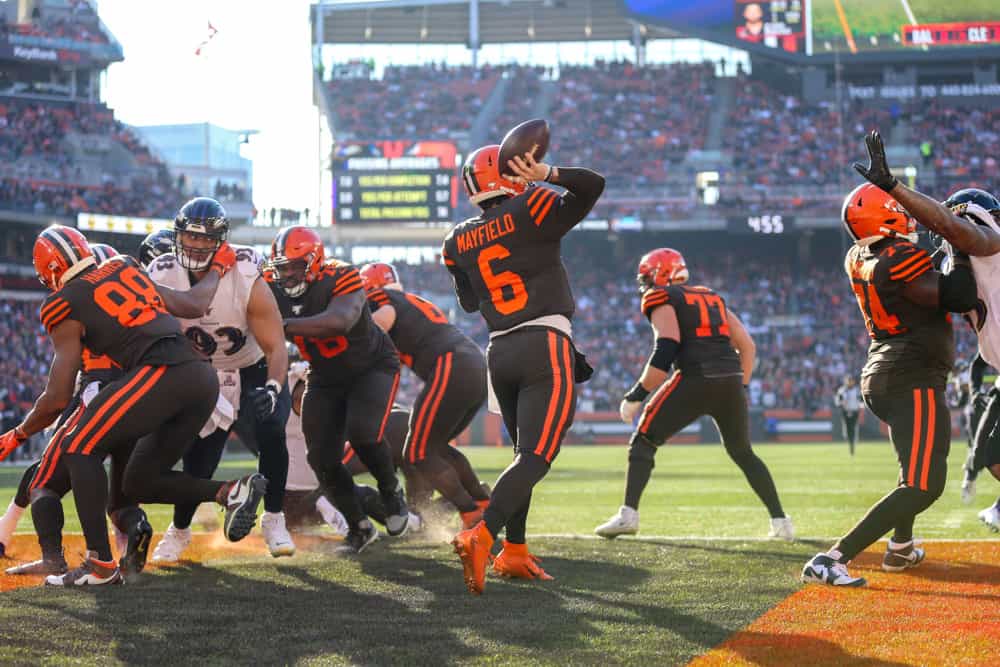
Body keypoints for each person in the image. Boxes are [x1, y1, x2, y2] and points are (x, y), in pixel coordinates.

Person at [0, 225, 265, 587]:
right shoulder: (125, 265)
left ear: (49, 271)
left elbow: (58, 396)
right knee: (138, 481)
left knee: (79, 446)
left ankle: (100, 565)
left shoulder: (62, 302)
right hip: (202, 380)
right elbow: (193, 304)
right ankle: (229, 492)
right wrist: (218, 268)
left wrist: (17, 434)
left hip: (161, 372)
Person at [801, 139, 979, 587]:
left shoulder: (860, 255)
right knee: (924, 484)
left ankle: (900, 549)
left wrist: (940, 250)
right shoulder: (898, 256)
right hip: (909, 374)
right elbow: (955, 296)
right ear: (886, 213)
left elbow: (918, 282)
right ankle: (833, 558)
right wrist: (956, 247)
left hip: (889, 370)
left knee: (913, 471)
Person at [443, 146, 603, 594]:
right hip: (543, 343)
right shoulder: (531, 206)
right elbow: (592, 185)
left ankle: (515, 550)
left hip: (500, 350)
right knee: (536, 457)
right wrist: (547, 172)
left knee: (522, 456)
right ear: (511, 173)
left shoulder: (456, 239)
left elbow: (471, 302)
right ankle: (483, 536)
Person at [594, 248, 792, 541]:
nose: (645, 284)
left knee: (643, 441)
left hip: (696, 378)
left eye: (648, 277)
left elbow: (667, 345)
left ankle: (628, 515)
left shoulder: (661, 297)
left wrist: (636, 394)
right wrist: (743, 386)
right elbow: (747, 346)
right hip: (730, 380)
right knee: (743, 453)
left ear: (661, 274)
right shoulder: (711, 297)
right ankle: (781, 522)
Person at [146, 197, 292, 561]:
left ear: (221, 240)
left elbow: (276, 345)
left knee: (273, 428)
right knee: (200, 456)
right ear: (177, 236)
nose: (196, 245)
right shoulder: (161, 271)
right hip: (202, 371)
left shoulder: (245, 272)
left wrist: (274, 386)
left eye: (205, 238)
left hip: (251, 364)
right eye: (190, 237)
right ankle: (180, 530)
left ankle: (274, 518)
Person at [0, 243, 150, 577]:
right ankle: (132, 535)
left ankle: (60, 559)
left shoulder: (75, 301)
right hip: (138, 392)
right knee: (121, 499)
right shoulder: (124, 282)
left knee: (43, 478)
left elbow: (57, 394)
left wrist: (19, 433)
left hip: (95, 391)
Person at [266, 226, 408, 554]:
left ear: (315, 262)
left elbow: (339, 320)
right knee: (320, 457)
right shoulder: (271, 287)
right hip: (325, 374)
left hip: (371, 367)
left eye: (295, 266)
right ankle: (359, 527)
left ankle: (391, 491)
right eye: (282, 267)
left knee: (363, 435)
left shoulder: (342, 275)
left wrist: (280, 324)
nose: (287, 275)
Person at [359, 261, 490, 527]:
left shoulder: (383, 298)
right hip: (471, 365)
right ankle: (483, 502)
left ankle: (471, 513)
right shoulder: (406, 299)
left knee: (417, 452)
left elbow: (382, 321)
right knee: (436, 446)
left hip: (452, 365)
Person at [834, 375, 862, 456]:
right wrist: (842, 403)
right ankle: (850, 438)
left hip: (854, 411)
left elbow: (861, 400)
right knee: (847, 427)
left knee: (852, 428)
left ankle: (852, 443)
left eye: (851, 380)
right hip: (845, 411)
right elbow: (838, 401)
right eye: (848, 380)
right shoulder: (842, 390)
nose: (850, 382)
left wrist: (860, 405)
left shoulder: (856, 390)